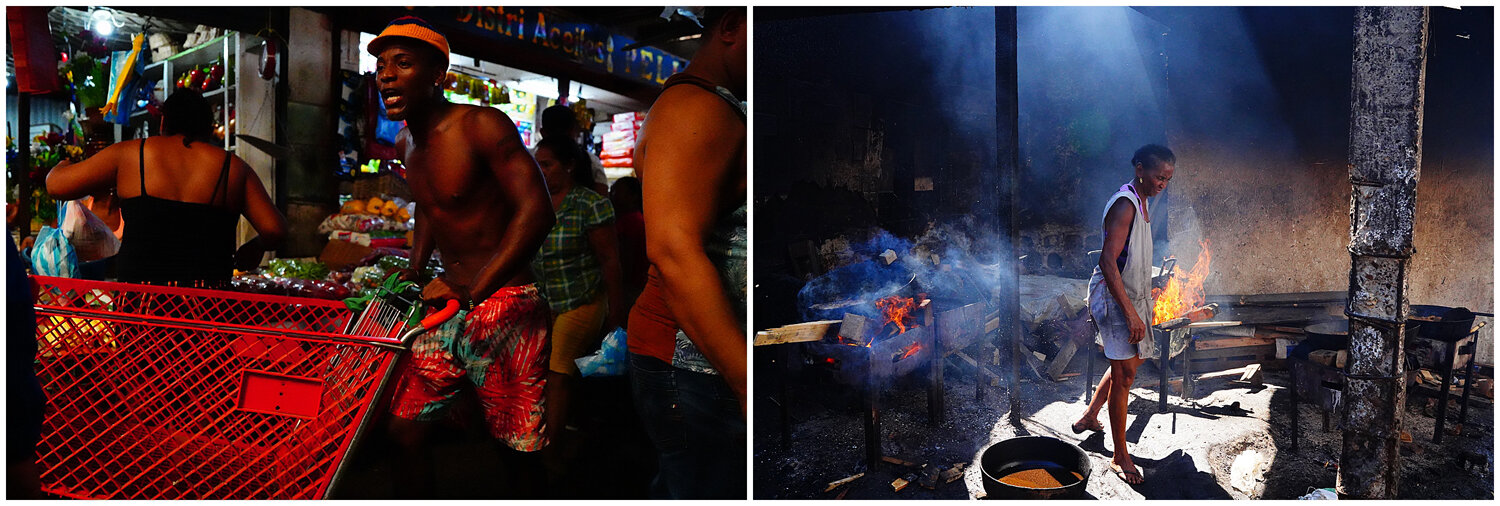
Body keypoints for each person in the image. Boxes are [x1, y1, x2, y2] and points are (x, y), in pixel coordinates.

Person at [368, 16, 556, 498]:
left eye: (403, 63)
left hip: (507, 303)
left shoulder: (480, 125)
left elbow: (537, 211)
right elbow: (433, 207)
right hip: (448, 307)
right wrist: (414, 266)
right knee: (403, 432)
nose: (386, 74)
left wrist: (475, 289)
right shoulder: (406, 141)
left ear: (438, 76)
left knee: (515, 447)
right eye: (382, 64)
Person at [626, 6, 747, 499]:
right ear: (731, 28)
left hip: (701, 361)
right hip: (690, 363)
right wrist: (745, 381)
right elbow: (673, 252)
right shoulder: (696, 108)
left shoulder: (716, 105)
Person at [44, 89, 285, 287]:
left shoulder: (131, 154)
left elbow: (56, 186)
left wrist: (62, 163)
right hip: (207, 310)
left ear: (163, 121)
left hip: (144, 308)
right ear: (208, 127)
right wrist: (255, 246)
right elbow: (275, 229)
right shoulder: (234, 168)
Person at [1071, 144, 1176, 485]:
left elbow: (1129, 257)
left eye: (1168, 179)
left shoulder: (1144, 200)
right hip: (1112, 296)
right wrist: (1130, 314)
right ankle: (1119, 456)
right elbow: (1107, 262)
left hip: (1129, 294)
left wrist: (1149, 288)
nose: (1163, 183)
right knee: (1125, 375)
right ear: (1139, 168)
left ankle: (1090, 416)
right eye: (1159, 176)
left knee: (1128, 365)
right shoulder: (1125, 204)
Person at [529, 135, 626, 473]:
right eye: (536, 164)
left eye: (547, 164)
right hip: (547, 301)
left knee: (558, 374)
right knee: (548, 373)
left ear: (568, 166)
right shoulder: (534, 202)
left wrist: (616, 314)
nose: (539, 171)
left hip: (582, 300)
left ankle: (550, 455)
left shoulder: (590, 204)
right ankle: (563, 433)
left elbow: (610, 261)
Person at [539, 105, 608, 195]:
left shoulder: (529, 159)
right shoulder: (591, 161)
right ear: (573, 131)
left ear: (543, 133)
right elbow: (602, 195)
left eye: (546, 165)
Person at [609, 176, 648, 308]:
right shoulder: (633, 219)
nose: (611, 195)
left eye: (616, 192)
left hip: (631, 285)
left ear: (633, 196)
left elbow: (627, 257)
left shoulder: (632, 221)